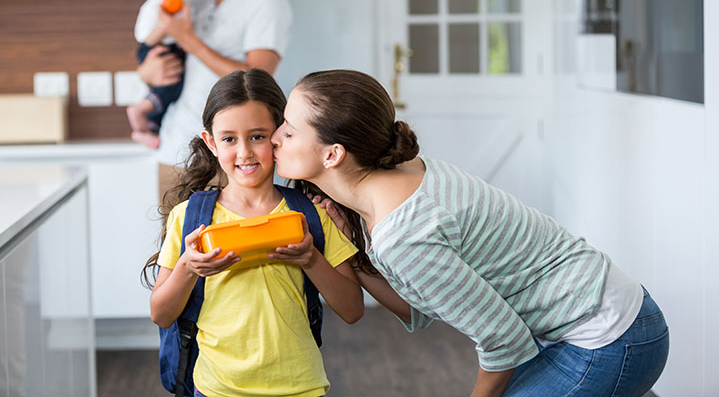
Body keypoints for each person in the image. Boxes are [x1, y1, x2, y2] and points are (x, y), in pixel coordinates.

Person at [270, 69, 670, 397]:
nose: (274, 139)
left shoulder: (402, 231)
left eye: (288, 132)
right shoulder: (405, 174)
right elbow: (419, 309)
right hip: (610, 314)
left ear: (332, 154)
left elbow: (504, 341)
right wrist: (350, 246)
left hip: (610, 338)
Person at [143, 69, 363, 397]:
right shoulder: (188, 218)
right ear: (211, 142)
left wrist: (310, 258)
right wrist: (189, 266)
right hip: (217, 389)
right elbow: (161, 314)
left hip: (300, 387)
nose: (244, 152)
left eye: (257, 136)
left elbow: (352, 310)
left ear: (278, 136)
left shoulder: (312, 215)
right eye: (229, 138)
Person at [136, 0, 293, 202]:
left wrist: (189, 39)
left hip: (224, 157)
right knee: (175, 247)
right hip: (174, 149)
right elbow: (157, 53)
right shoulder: (200, 1)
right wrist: (146, 71)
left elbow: (258, 76)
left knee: (223, 247)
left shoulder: (267, 2)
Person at [127, 0, 188, 149]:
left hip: (172, 47)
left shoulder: (183, 2)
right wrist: (165, 28)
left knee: (172, 90)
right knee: (170, 84)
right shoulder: (153, 7)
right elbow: (144, 38)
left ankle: (147, 129)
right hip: (155, 47)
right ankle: (141, 109)